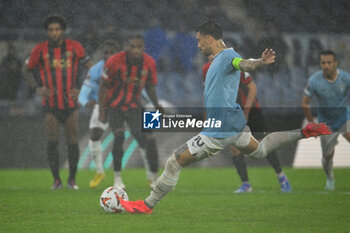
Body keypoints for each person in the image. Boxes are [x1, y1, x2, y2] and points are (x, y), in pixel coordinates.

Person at [118, 21, 331, 214]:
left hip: (219, 131)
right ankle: (303, 132)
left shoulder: (229, 56)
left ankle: (146, 205)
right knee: (261, 150)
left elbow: (245, 64)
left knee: (174, 161)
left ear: (210, 39)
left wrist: (259, 62)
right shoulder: (217, 60)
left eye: (200, 41)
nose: (199, 45)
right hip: (234, 126)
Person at [22, 14, 91, 190]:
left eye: (57, 29)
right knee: (52, 140)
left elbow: (92, 69)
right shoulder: (40, 49)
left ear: (63, 31)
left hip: (70, 104)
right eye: (51, 30)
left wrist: (82, 89)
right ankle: (57, 181)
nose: (54, 33)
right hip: (51, 104)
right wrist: (37, 87)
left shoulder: (75, 47)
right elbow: (26, 69)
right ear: (47, 31)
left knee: (72, 141)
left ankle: (72, 181)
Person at [202, 61, 291, 193]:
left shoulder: (234, 64)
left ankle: (282, 177)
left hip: (251, 109)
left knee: (263, 145)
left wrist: (246, 112)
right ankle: (246, 184)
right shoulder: (206, 69)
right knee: (234, 148)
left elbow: (252, 87)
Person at [98, 35, 162, 189]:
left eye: (139, 47)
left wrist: (157, 105)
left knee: (149, 139)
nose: (136, 50)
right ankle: (117, 179)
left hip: (135, 106)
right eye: (133, 47)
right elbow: (104, 86)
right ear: (127, 47)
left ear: (143, 48)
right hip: (115, 107)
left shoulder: (149, 63)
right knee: (119, 136)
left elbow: (150, 87)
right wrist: (102, 111)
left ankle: (154, 178)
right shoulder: (114, 61)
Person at [302, 50, 350, 190]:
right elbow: (305, 103)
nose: (326, 66)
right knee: (327, 156)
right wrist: (312, 124)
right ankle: (330, 178)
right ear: (320, 64)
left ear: (335, 63)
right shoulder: (314, 81)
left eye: (329, 63)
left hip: (344, 117)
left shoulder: (346, 78)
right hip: (326, 123)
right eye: (323, 63)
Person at [78, 40, 118, 188]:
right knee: (94, 136)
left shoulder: (125, 67)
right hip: (102, 107)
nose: (108, 55)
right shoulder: (95, 70)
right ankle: (100, 172)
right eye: (105, 53)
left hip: (123, 107)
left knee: (144, 138)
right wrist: (87, 102)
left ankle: (151, 176)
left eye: (111, 52)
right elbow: (83, 94)